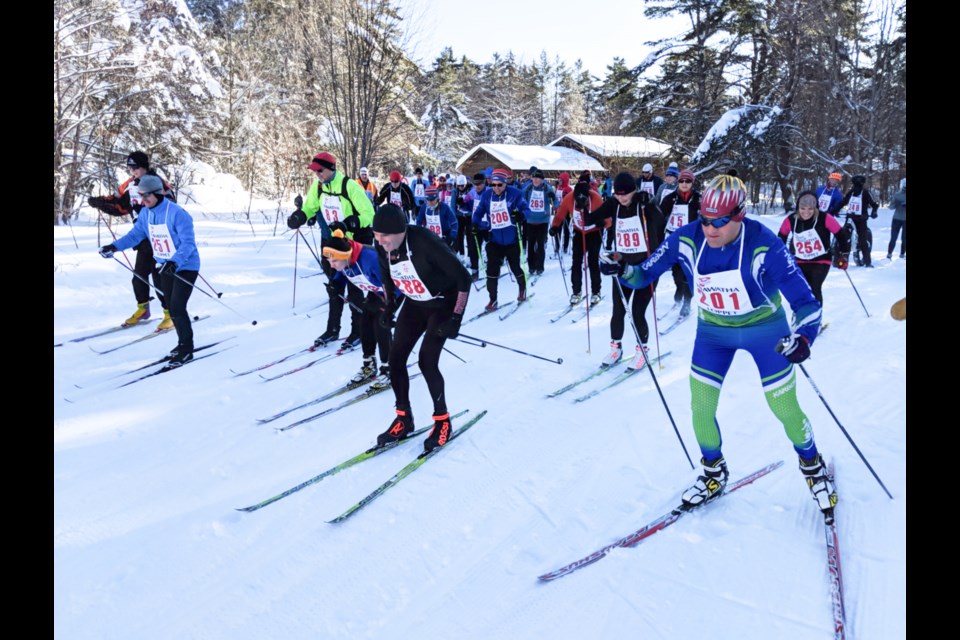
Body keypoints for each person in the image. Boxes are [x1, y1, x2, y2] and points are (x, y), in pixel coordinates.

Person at [612, 174, 837, 517]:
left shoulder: (764, 243)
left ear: (739, 215)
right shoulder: (686, 239)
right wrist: (621, 269)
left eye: (718, 221)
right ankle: (714, 472)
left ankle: (813, 467)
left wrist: (804, 338)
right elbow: (643, 274)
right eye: (704, 219)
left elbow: (806, 304)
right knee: (700, 409)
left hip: (765, 331)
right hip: (714, 332)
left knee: (785, 410)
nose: (709, 228)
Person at [372, 204, 472, 453]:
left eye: (385, 236)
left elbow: (463, 278)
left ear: (400, 231)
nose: (381, 242)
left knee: (427, 361)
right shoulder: (382, 246)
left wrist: (456, 319)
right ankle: (404, 418)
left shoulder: (424, 241)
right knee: (395, 359)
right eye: (376, 236)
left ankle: (442, 421)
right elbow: (388, 278)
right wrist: (390, 307)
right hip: (416, 303)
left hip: (442, 303)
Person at [99, 175, 200, 366]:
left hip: (186, 266)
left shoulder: (177, 213)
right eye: (141, 197)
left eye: (146, 197)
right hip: (164, 266)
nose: (143, 201)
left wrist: (175, 261)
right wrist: (113, 247)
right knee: (171, 307)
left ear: (159, 194)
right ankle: (181, 344)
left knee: (178, 307)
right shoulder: (146, 213)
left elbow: (188, 244)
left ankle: (187, 349)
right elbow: (135, 235)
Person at [287, 151, 375, 350]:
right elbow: (310, 207)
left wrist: (350, 223)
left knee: (354, 290)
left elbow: (369, 214)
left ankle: (357, 331)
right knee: (334, 288)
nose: (317, 174)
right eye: (315, 171)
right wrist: (298, 217)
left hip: (352, 245)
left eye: (320, 170)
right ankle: (332, 329)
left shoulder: (349, 186)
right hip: (331, 244)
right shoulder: (318, 187)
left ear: (331, 169)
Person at [87, 151, 176, 330]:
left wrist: (147, 210)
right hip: (142, 235)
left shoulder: (157, 182)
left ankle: (170, 313)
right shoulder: (129, 185)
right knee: (139, 276)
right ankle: (143, 308)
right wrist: (100, 203)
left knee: (158, 277)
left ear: (144, 166)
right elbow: (119, 204)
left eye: (135, 167)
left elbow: (170, 205)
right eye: (130, 168)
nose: (132, 171)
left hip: (159, 235)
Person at [589, 172, 665, 369]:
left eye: (626, 194)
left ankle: (642, 351)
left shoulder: (643, 204)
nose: (621, 198)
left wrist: (649, 202)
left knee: (638, 312)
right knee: (618, 310)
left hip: (646, 269)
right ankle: (616, 348)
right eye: (618, 194)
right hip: (623, 267)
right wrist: (583, 200)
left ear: (634, 190)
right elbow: (591, 218)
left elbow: (660, 221)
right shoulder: (614, 204)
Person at [321, 229, 398, 388]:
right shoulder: (345, 258)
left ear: (344, 256)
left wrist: (390, 306)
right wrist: (335, 285)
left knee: (381, 324)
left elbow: (394, 281)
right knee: (365, 323)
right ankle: (369, 365)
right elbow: (342, 273)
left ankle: (389, 369)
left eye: (333, 260)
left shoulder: (370, 260)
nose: (331, 265)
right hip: (376, 291)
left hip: (394, 289)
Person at [777, 191, 851, 314]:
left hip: (821, 259)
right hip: (800, 259)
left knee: (814, 286)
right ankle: (801, 315)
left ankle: (815, 318)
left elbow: (841, 236)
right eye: (802, 208)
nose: (806, 212)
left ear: (815, 208)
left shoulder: (825, 218)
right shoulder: (791, 220)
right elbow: (780, 239)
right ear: (798, 208)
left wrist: (843, 256)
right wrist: (779, 259)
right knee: (800, 289)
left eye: (810, 209)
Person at [471, 169, 532, 309]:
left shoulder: (515, 194)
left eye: (500, 185)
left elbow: (527, 210)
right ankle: (493, 299)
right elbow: (478, 212)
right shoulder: (486, 195)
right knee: (491, 271)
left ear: (505, 184)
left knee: (515, 267)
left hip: (512, 240)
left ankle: (522, 289)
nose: (496, 188)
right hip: (495, 240)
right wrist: (474, 224)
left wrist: (521, 216)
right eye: (493, 185)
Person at [550, 172, 607, 305]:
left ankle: (596, 291)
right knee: (576, 262)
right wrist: (554, 227)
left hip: (593, 233)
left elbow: (608, 218)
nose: (582, 204)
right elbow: (560, 215)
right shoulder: (569, 198)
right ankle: (576, 292)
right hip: (578, 232)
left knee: (593, 262)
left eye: (585, 202)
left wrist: (602, 223)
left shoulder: (596, 198)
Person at [659, 169, 701, 317]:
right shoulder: (671, 198)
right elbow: (659, 215)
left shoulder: (698, 199)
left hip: (691, 241)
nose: (684, 184)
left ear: (692, 182)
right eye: (682, 181)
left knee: (687, 270)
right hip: (674, 238)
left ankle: (687, 301)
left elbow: (707, 217)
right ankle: (679, 288)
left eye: (687, 181)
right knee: (676, 270)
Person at [521, 169, 557, 276]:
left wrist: (553, 199)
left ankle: (540, 266)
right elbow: (522, 199)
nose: (536, 180)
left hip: (543, 221)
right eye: (534, 178)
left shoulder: (547, 188)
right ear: (531, 178)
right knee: (530, 245)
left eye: (538, 178)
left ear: (542, 179)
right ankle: (531, 266)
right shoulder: (528, 188)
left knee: (540, 244)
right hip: (531, 221)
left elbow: (555, 201)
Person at [837, 175, 880, 267]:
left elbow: (874, 204)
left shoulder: (865, 193)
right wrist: (833, 211)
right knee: (844, 238)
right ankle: (842, 260)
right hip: (850, 218)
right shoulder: (851, 192)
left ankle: (868, 262)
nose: (856, 186)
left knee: (863, 241)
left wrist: (874, 212)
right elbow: (843, 202)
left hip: (861, 220)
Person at [463, 172, 490, 281]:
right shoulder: (472, 193)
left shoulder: (490, 192)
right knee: (473, 249)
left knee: (491, 249)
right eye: (475, 184)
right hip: (476, 225)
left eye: (479, 184)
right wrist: (461, 204)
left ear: (484, 183)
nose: (477, 186)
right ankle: (474, 272)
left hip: (489, 226)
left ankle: (492, 270)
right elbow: (466, 207)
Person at [452, 175, 474, 265]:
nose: (461, 188)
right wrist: (456, 215)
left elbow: (474, 205)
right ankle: (461, 254)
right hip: (459, 216)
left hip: (469, 216)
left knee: (470, 236)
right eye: (459, 186)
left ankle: (469, 256)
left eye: (462, 186)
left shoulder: (471, 190)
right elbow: (452, 206)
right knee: (459, 235)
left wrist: (469, 214)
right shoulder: (455, 191)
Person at [551, 172, 573, 256]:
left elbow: (571, 199)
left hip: (566, 212)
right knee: (557, 229)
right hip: (558, 212)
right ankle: (557, 246)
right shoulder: (558, 188)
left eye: (561, 180)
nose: (559, 181)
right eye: (559, 180)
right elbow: (556, 199)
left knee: (566, 230)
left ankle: (565, 246)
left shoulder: (569, 189)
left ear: (565, 180)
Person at [887, 178, 906, 259]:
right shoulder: (897, 195)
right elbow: (891, 207)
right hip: (896, 219)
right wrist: (896, 203)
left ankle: (902, 254)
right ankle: (889, 254)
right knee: (893, 238)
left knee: (904, 239)